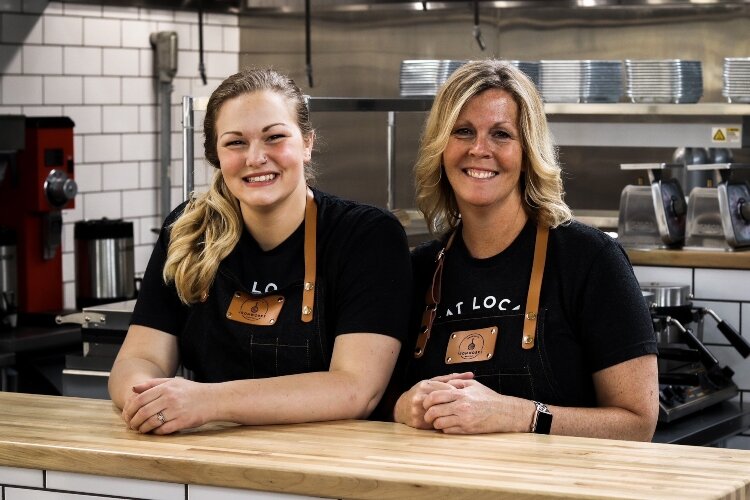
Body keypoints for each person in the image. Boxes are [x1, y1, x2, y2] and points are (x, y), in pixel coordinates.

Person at [109, 68, 412, 434]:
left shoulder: (366, 236)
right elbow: (139, 358)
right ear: (216, 156)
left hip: (331, 463)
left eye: (274, 137)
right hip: (208, 453)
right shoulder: (190, 230)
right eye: (235, 143)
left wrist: (206, 402)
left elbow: (356, 389)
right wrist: (146, 400)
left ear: (307, 143)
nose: (255, 158)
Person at [393, 59, 658, 441]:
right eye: (463, 131)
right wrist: (403, 406)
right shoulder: (418, 271)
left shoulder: (589, 259)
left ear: (528, 151)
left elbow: (638, 424)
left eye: (501, 134)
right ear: (440, 147)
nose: (479, 149)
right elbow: (370, 397)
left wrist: (520, 414)